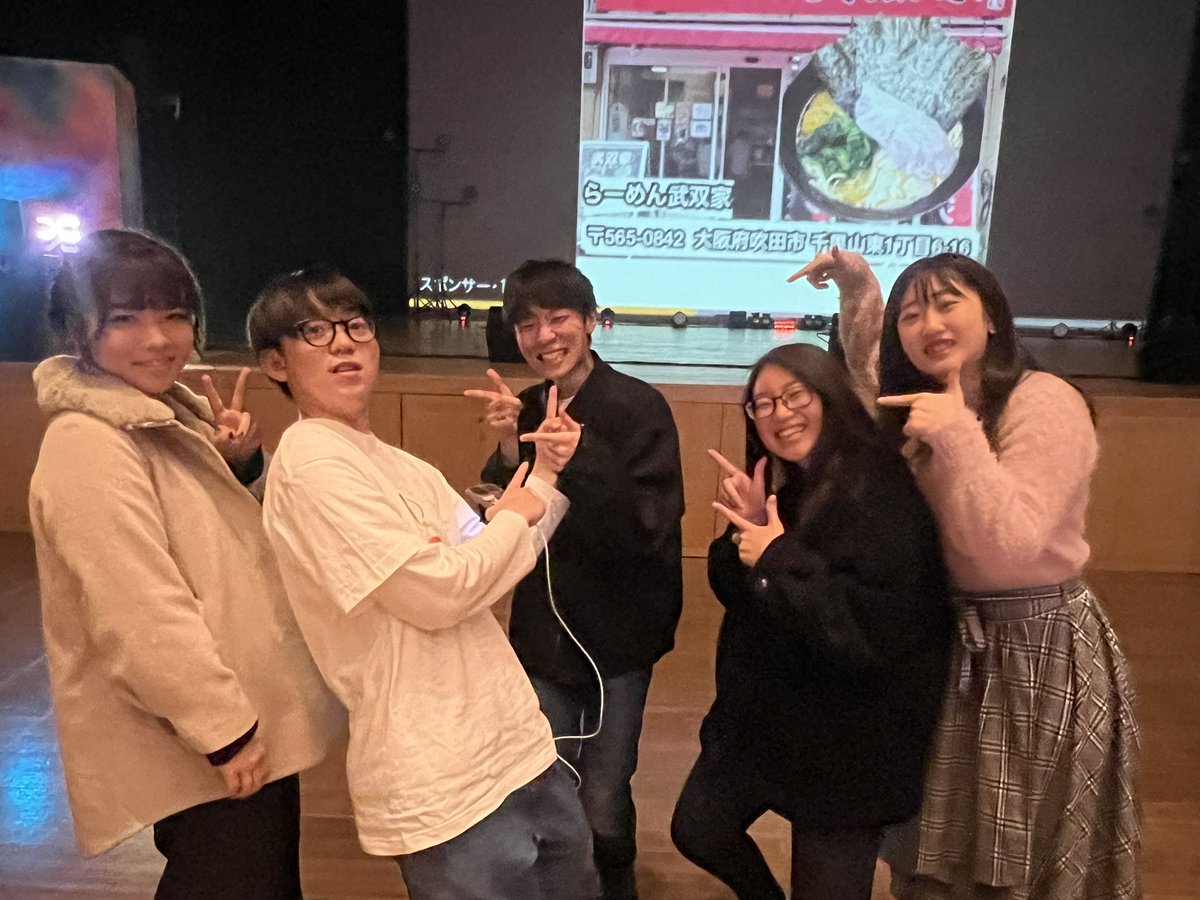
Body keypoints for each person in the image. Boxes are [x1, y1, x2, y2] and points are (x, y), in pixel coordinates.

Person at [790, 248, 1142, 899]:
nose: (930, 325)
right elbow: (871, 370)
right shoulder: (929, 403)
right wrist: (859, 289)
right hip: (952, 642)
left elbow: (1014, 548)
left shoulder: (1046, 401)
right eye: (911, 315)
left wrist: (958, 439)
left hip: (1036, 648)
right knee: (935, 844)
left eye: (947, 304)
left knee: (1024, 848)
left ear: (993, 317)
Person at [247, 267, 599, 900]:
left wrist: (544, 476)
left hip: (517, 741)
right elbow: (444, 594)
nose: (344, 342)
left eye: (356, 325)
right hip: (439, 776)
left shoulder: (400, 464)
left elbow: (488, 567)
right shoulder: (311, 465)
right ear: (276, 362)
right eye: (315, 331)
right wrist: (509, 522)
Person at [28, 229, 344, 898]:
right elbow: (139, 614)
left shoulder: (160, 417)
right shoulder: (88, 444)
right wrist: (224, 733)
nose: (158, 339)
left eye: (174, 315)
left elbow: (221, 547)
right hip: (205, 732)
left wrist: (240, 466)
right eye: (124, 319)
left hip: (240, 712)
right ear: (76, 330)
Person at [669, 343, 952, 900]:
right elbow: (742, 595)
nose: (780, 413)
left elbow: (867, 633)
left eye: (794, 395)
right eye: (763, 404)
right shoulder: (796, 484)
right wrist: (745, 531)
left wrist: (776, 557)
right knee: (699, 826)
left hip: (852, 748)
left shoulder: (880, 490)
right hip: (771, 727)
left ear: (829, 395)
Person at [467, 259, 684, 900]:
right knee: (549, 783)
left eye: (558, 317)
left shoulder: (639, 406)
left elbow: (649, 527)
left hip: (620, 637)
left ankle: (616, 885)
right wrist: (510, 450)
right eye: (527, 324)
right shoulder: (530, 407)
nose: (544, 336)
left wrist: (581, 455)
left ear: (591, 321)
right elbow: (509, 510)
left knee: (606, 792)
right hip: (545, 633)